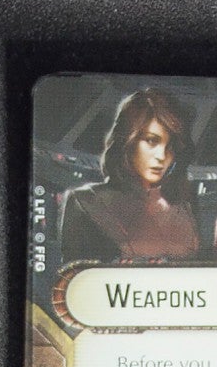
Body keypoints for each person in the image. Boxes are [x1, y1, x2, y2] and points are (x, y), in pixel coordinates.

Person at [57, 87, 201, 264]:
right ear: (128, 140)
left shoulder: (184, 201)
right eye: (151, 141)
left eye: (170, 146)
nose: (162, 156)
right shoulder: (86, 202)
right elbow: (72, 278)